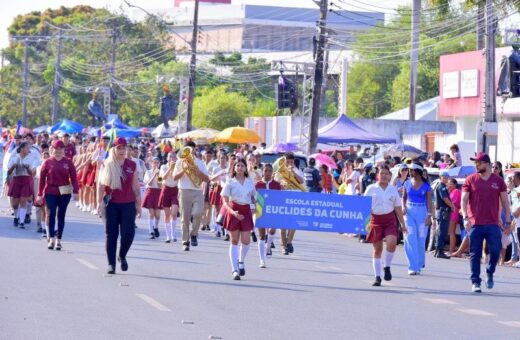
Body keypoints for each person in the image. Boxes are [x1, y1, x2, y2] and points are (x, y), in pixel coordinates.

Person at [461, 152, 512, 293]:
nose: (476, 165)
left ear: (488, 164)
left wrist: (507, 221)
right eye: (475, 163)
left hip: (493, 223)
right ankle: (475, 281)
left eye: (479, 162)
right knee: (475, 253)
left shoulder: (499, 181)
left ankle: (490, 271)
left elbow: (505, 203)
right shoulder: (470, 180)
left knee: (495, 251)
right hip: (475, 223)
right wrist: (465, 217)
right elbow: (464, 200)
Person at [97, 137, 142, 274]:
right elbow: (100, 186)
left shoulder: (132, 165)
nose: (122, 150)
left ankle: (122, 255)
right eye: (119, 148)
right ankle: (111, 264)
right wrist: (98, 203)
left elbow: (136, 187)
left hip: (128, 204)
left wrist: (139, 204)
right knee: (111, 234)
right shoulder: (107, 164)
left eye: (124, 148)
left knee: (128, 234)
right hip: (111, 204)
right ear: (114, 149)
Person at [365, 165, 407, 286]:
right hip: (375, 220)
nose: (383, 176)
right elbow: (363, 206)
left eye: (386, 174)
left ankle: (387, 266)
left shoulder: (392, 189)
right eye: (381, 173)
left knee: (392, 242)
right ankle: (377, 277)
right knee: (377, 249)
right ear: (377, 175)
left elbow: (398, 208)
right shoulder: (371, 188)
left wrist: (402, 224)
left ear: (389, 176)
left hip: (389, 219)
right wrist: (364, 224)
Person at [36, 140, 79, 250]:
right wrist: (40, 194)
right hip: (51, 191)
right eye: (56, 149)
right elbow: (41, 179)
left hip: (64, 191)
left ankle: (59, 239)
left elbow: (74, 177)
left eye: (61, 149)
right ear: (52, 149)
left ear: (64, 150)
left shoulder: (68, 162)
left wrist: (76, 191)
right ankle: (51, 238)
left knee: (61, 215)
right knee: (51, 213)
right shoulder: (47, 162)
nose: (58, 151)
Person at [221, 159, 257, 280]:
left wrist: (255, 206)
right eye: (238, 165)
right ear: (234, 168)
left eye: (242, 166)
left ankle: (241, 261)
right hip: (233, 210)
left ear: (245, 168)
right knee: (234, 240)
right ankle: (234, 269)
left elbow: (254, 197)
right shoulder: (230, 182)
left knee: (246, 241)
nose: (240, 168)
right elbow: (225, 202)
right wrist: (232, 212)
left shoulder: (249, 182)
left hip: (246, 211)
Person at [173, 141, 209, 251]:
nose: (191, 151)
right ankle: (185, 241)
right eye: (188, 149)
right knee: (185, 218)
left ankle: (194, 234)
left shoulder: (200, 162)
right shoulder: (180, 162)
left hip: (198, 191)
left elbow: (207, 179)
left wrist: (197, 171)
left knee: (198, 213)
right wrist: (184, 169)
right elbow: (174, 177)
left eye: (192, 149)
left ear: (194, 150)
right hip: (184, 190)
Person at [402, 163, 434, 275]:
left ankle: (419, 263)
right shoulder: (406, 183)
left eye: (412, 170)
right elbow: (404, 197)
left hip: (422, 213)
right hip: (409, 212)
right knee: (410, 237)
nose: (410, 172)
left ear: (419, 171)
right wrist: (403, 207)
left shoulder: (427, 187)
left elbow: (429, 202)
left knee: (420, 239)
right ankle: (412, 266)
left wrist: (430, 216)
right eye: (409, 170)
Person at [274, 152, 304, 255]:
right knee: (283, 223)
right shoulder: (280, 171)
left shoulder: (297, 170)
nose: (290, 163)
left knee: (293, 222)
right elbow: (277, 181)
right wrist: (281, 184)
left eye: (292, 161)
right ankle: (283, 246)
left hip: (295, 199)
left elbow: (301, 182)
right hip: (283, 199)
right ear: (285, 161)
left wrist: (293, 173)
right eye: (288, 161)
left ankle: (289, 242)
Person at [255, 163, 282, 267]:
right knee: (261, 236)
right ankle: (262, 260)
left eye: (270, 171)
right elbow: (254, 198)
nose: (267, 173)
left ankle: (268, 246)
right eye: (265, 171)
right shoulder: (258, 184)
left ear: (272, 172)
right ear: (262, 172)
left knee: (272, 230)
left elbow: (280, 198)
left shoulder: (276, 184)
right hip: (260, 210)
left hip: (272, 210)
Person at [7, 142, 36, 229]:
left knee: (23, 200)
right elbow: (8, 172)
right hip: (16, 179)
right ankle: (16, 217)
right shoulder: (14, 157)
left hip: (26, 180)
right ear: (22, 148)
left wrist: (28, 168)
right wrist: (13, 166)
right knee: (15, 203)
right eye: (27, 148)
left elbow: (32, 173)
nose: (28, 150)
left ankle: (22, 222)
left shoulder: (31, 158)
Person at [432, 171, 454, 259]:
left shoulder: (441, 186)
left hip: (441, 211)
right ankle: (439, 251)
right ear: (440, 177)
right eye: (444, 177)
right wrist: (452, 206)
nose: (446, 179)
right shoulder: (441, 186)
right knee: (442, 232)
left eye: (447, 177)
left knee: (440, 231)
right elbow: (445, 198)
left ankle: (438, 251)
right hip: (443, 211)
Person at [158, 151, 179, 243]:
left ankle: (173, 233)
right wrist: (170, 168)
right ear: (167, 158)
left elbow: (177, 178)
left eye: (173, 157)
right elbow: (162, 178)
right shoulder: (163, 166)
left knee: (174, 213)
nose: (172, 158)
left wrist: (174, 168)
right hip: (166, 189)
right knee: (167, 214)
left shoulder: (178, 167)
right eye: (170, 156)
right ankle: (168, 235)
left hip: (175, 190)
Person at [143, 157, 162, 239]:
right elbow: (149, 183)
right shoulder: (148, 172)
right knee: (151, 213)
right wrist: (154, 174)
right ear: (151, 163)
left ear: (159, 164)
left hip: (158, 192)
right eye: (154, 162)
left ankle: (155, 227)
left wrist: (158, 176)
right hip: (150, 191)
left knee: (157, 215)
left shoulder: (160, 173)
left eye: (157, 163)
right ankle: (151, 231)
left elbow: (159, 185)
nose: (155, 164)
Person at [447, 178, 462, 254]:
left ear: (454, 184)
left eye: (450, 183)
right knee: (450, 232)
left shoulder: (456, 191)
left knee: (452, 232)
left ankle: (451, 250)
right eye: (448, 183)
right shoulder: (451, 191)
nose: (448, 185)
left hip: (454, 213)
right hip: (450, 212)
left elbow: (455, 202)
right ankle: (450, 249)